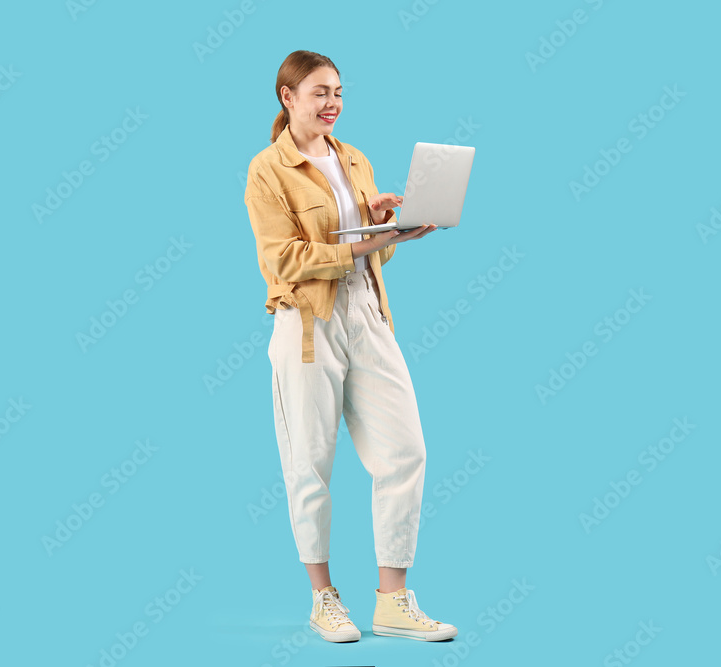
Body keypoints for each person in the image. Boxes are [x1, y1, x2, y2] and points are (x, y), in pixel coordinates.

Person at [244, 50, 457, 644]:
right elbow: (282, 259)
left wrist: (390, 225)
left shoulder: (354, 158)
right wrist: (364, 243)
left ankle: (392, 600)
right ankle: (323, 598)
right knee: (309, 462)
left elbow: (373, 250)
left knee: (405, 450)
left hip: (367, 312)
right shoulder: (268, 170)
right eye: (319, 92)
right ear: (287, 98)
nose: (332, 102)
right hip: (307, 323)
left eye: (337, 91)